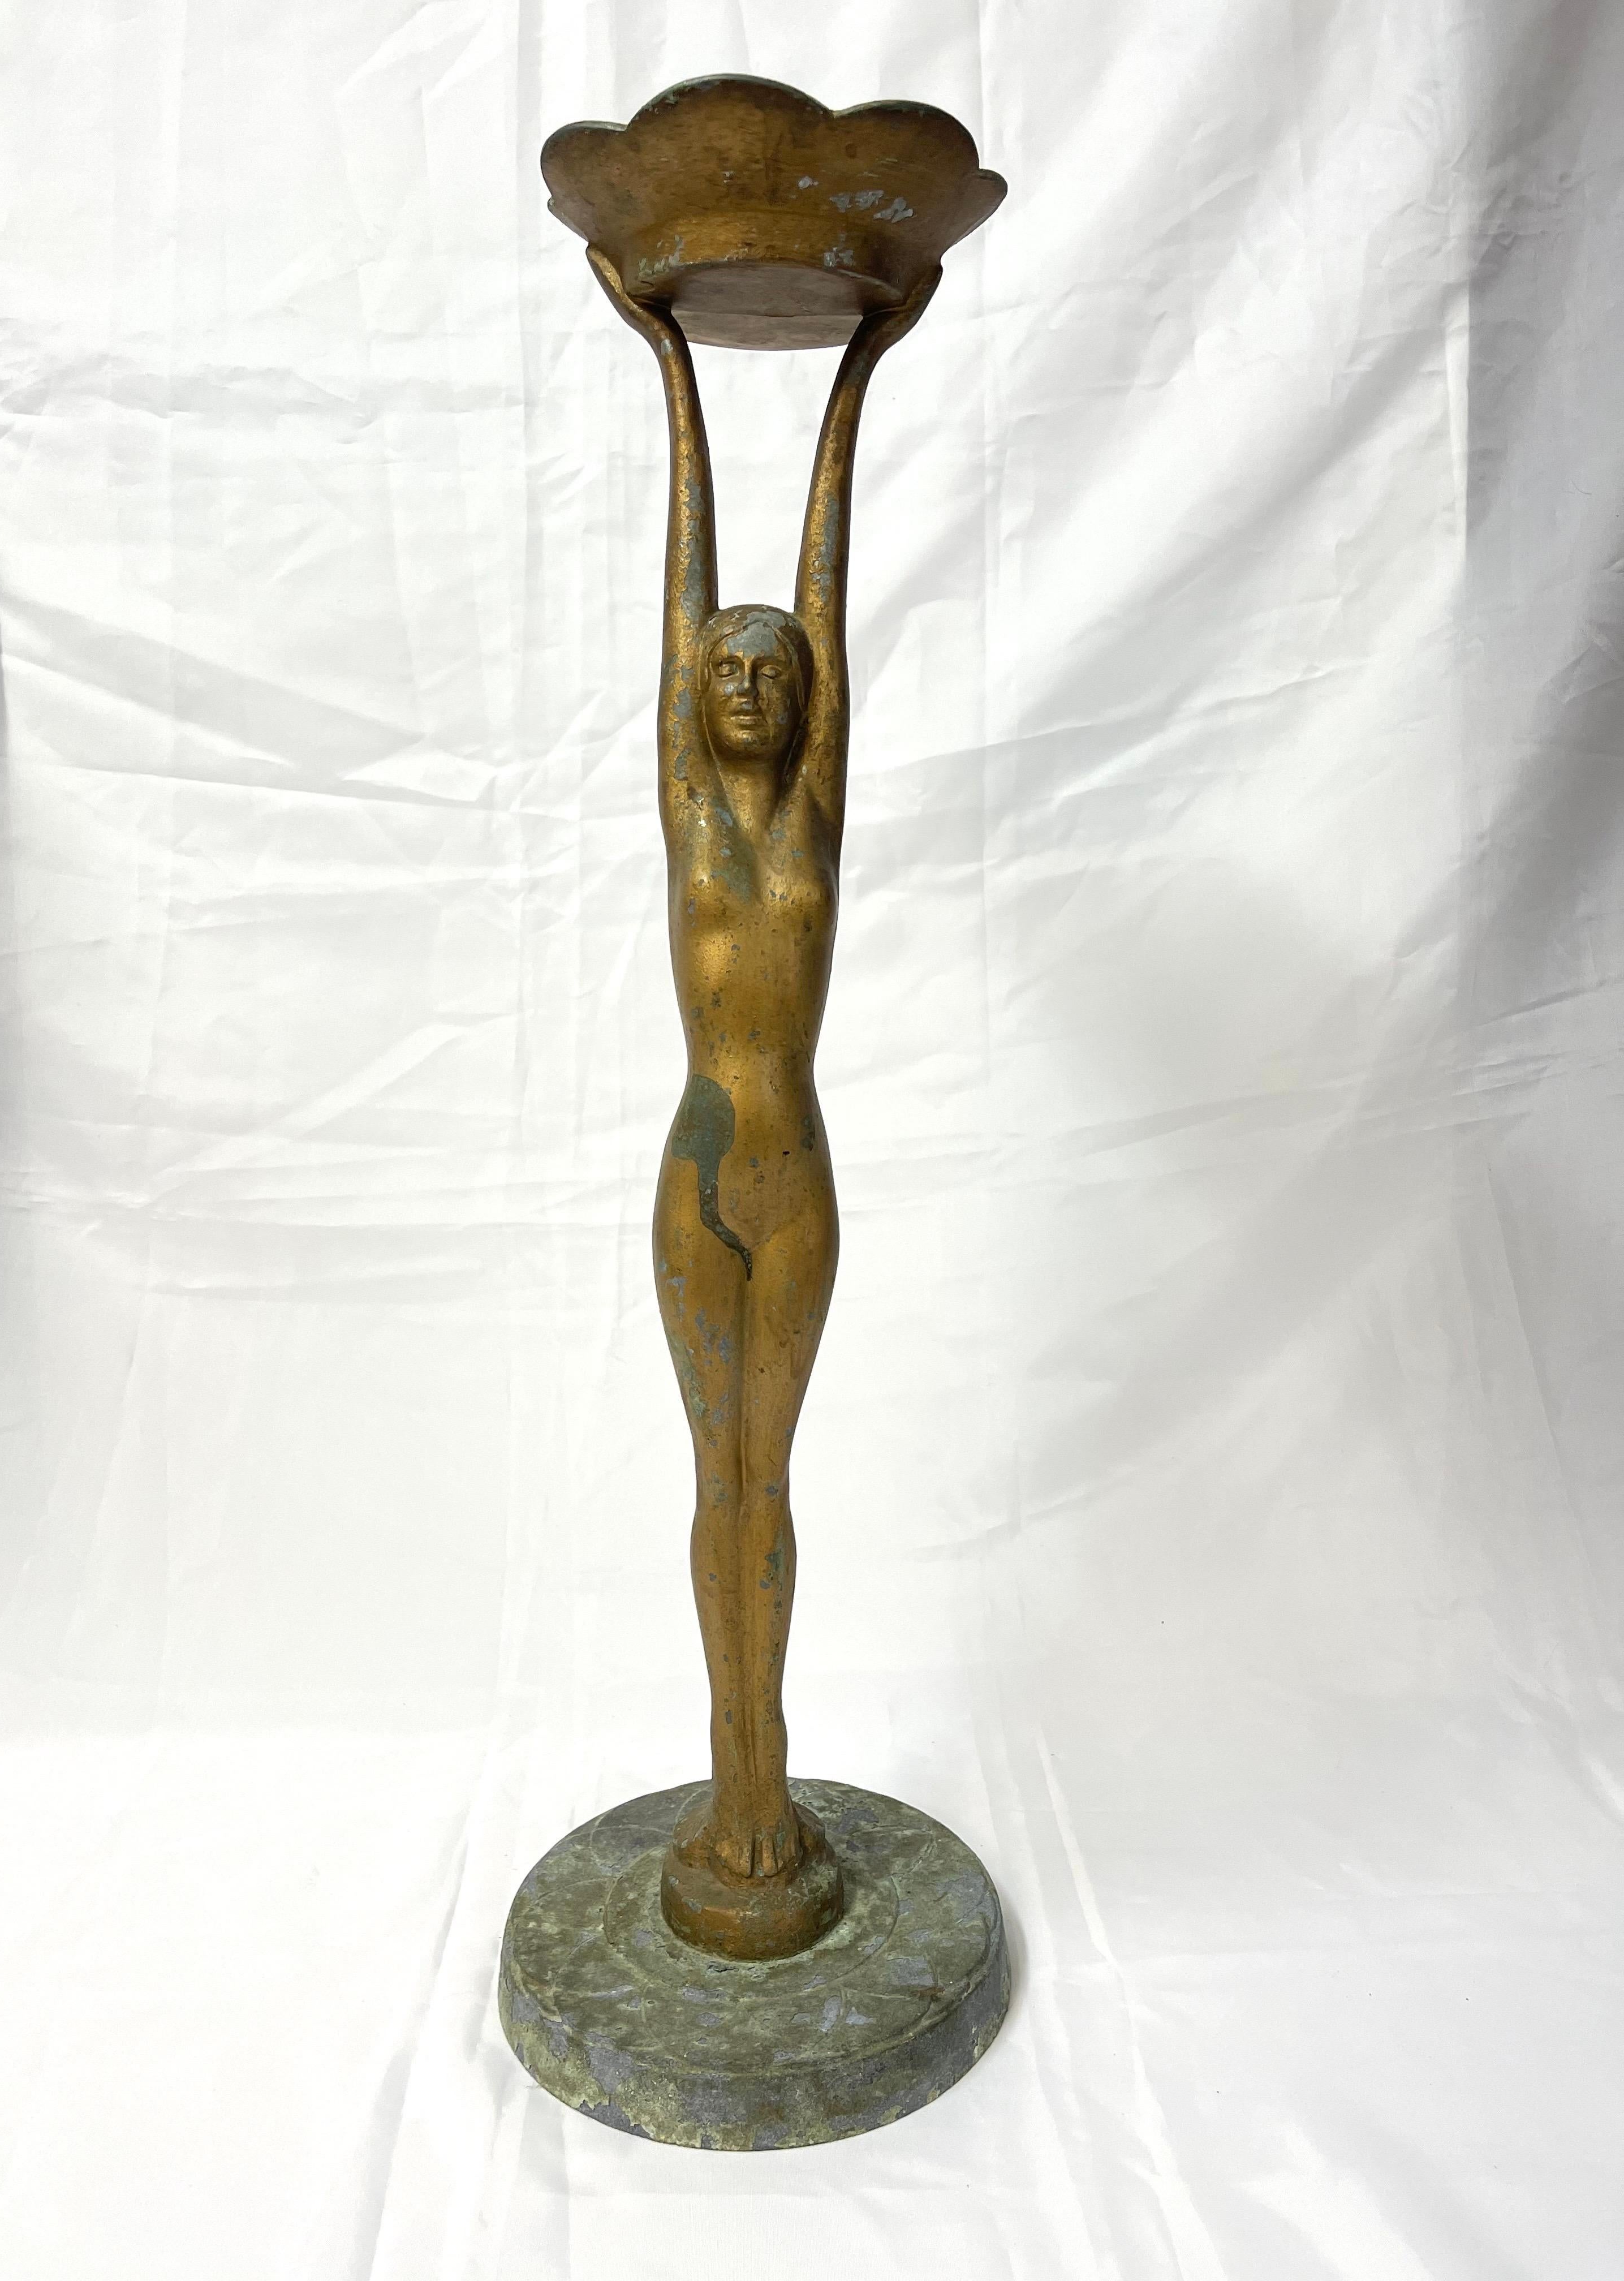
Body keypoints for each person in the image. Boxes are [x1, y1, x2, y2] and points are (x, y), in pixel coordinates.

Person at [587, 249, 936, 1955]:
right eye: (723, 669)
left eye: (771, 673)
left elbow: (822, 580)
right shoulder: (687, 806)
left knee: (766, 1482)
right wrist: (670, 367)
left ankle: (763, 1791)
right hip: (696, 1175)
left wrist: (859, 372)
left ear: (805, 709)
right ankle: (734, 1797)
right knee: (708, 1480)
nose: (744, 682)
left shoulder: (808, 818)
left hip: (793, 1182)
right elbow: (689, 589)